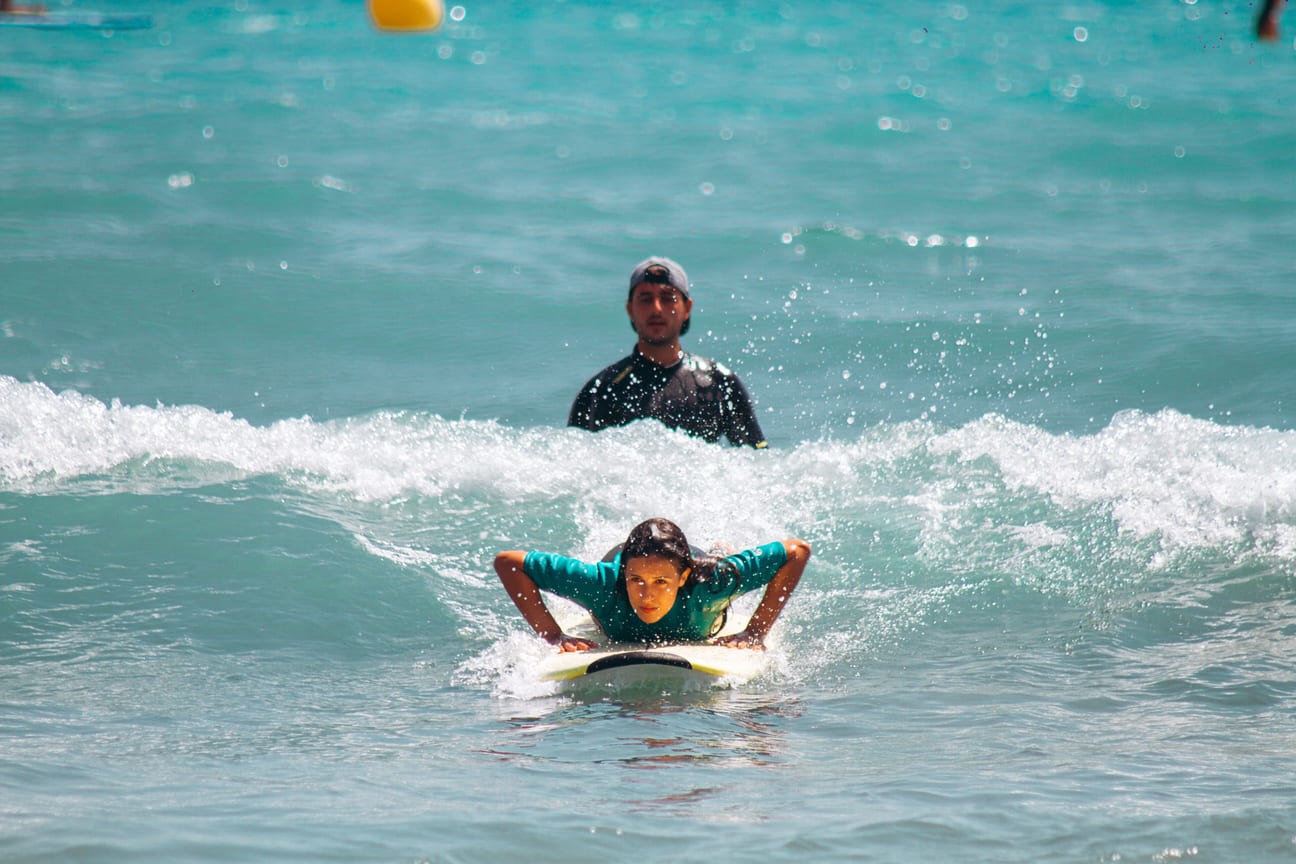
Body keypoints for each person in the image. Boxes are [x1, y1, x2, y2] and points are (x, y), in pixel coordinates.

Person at [494, 518, 810, 651]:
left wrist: (756, 631)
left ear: (682, 579)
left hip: (694, 563)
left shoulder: (711, 585)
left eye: (659, 584)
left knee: (718, 563)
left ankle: (716, 551)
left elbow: (796, 552)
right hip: (624, 556)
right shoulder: (600, 584)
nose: (647, 595)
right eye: (636, 582)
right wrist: (552, 635)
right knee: (632, 567)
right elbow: (509, 562)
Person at [568, 256, 768, 448]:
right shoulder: (602, 390)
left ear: (687, 308)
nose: (657, 309)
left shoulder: (717, 382)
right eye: (646, 299)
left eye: (667, 298)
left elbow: (758, 464)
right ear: (630, 309)